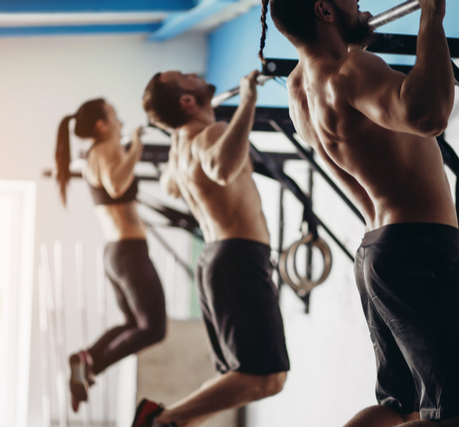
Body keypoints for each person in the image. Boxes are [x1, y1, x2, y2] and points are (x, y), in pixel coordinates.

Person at [259, 0, 459, 426]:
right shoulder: (351, 72)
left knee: (399, 408)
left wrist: (353, 40)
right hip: (417, 253)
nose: (360, 2)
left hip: (379, 251)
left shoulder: (300, 88)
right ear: (324, 10)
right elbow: (429, 114)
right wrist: (432, 16)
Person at [134, 71, 289, 427]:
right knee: (266, 377)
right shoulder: (211, 133)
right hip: (237, 257)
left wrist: (178, 137)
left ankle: (173, 422)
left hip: (217, 259)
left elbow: (171, 186)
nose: (194, 74)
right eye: (185, 77)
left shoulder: (183, 144)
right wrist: (248, 101)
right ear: (187, 102)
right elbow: (221, 168)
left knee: (240, 377)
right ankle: (161, 422)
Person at [55, 99, 167, 412]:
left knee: (133, 323)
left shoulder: (95, 153)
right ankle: (92, 365)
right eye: (113, 114)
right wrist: (137, 145)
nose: (119, 118)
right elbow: (117, 185)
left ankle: (85, 358)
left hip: (117, 254)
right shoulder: (106, 148)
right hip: (128, 253)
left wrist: (129, 145)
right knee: (154, 329)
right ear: (102, 125)